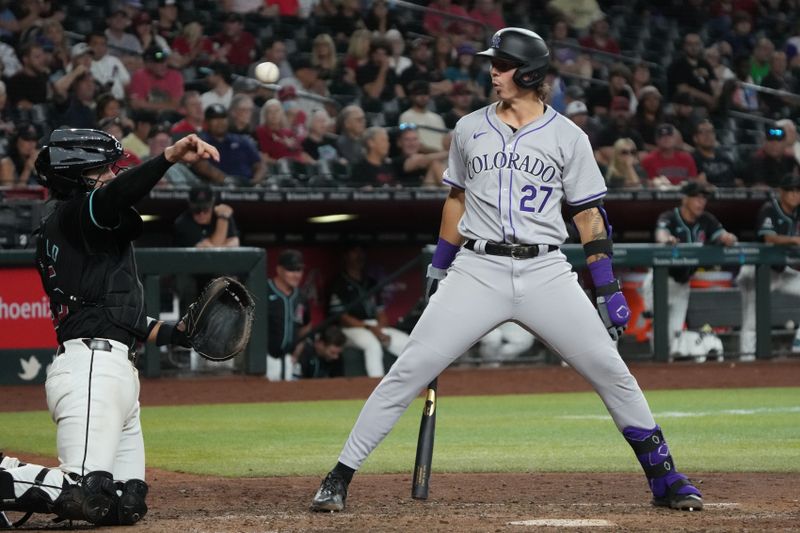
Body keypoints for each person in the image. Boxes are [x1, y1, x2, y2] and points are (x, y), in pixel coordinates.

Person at [310, 28, 703, 514]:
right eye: (493, 63)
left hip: (546, 271)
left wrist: (607, 285)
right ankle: (339, 476)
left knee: (611, 371)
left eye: (501, 64)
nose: (492, 71)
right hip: (478, 268)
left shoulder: (568, 136)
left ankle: (665, 478)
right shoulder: (469, 128)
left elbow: (588, 216)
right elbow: (455, 200)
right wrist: (439, 267)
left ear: (531, 73)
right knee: (409, 368)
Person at [0, 130, 219, 526]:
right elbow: (116, 196)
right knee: (84, 490)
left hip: (117, 373)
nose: (111, 175)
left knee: (123, 503)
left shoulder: (90, 241)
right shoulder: (73, 215)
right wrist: (167, 157)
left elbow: (124, 318)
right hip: (90, 371)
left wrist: (178, 334)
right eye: (102, 169)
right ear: (75, 176)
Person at [641, 181, 737, 361]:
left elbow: (723, 235)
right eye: (696, 198)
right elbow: (661, 234)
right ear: (685, 199)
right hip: (661, 280)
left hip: (683, 283)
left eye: (703, 198)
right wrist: (666, 239)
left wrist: (728, 238)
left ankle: (665, 371)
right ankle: (656, 365)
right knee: (658, 324)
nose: (701, 202)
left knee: (675, 332)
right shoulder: (669, 216)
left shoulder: (706, 220)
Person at [736, 173, 800, 360]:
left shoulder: (797, 211)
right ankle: (746, 362)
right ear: (782, 192)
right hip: (756, 271)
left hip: (781, 270)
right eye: (791, 190)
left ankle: (798, 344)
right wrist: (794, 240)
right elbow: (769, 238)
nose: (795, 195)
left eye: (798, 190)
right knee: (751, 320)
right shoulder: (769, 208)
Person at [327, 244, 410, 378]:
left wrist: (380, 329)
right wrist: (369, 328)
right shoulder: (339, 283)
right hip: (350, 328)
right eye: (354, 252)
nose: (359, 256)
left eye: (361, 252)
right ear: (346, 256)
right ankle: (376, 384)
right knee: (372, 345)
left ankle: (411, 382)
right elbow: (342, 317)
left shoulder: (371, 282)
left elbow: (381, 312)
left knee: (406, 343)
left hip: (374, 325)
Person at [265, 249, 311, 381]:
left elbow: (306, 326)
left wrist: (298, 348)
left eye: (299, 270)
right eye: (291, 270)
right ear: (279, 270)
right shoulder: (263, 290)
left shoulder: (301, 297)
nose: (296, 275)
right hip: (265, 357)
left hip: (288, 358)